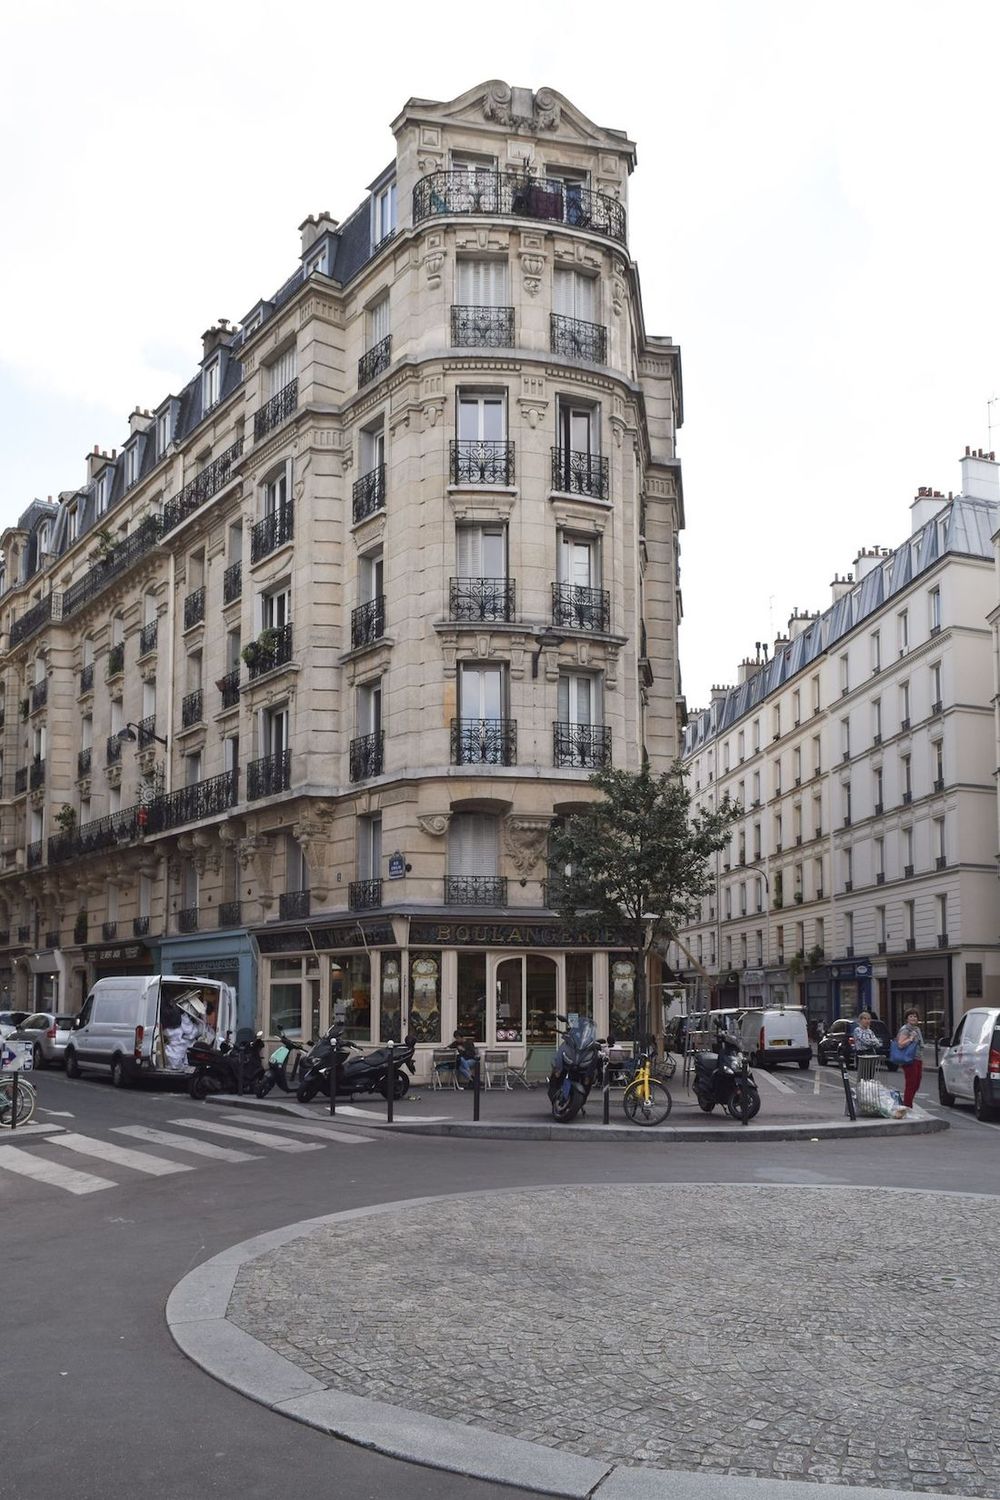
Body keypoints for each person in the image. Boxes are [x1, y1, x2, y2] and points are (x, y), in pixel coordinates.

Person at [895, 1010, 924, 1108]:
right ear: (907, 1018)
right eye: (911, 1016)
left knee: (917, 1083)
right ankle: (907, 1106)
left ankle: (907, 1102)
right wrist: (910, 1038)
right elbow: (900, 1044)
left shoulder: (917, 1029)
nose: (913, 1018)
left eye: (915, 1016)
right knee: (911, 1083)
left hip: (918, 1058)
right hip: (909, 1059)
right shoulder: (905, 1030)